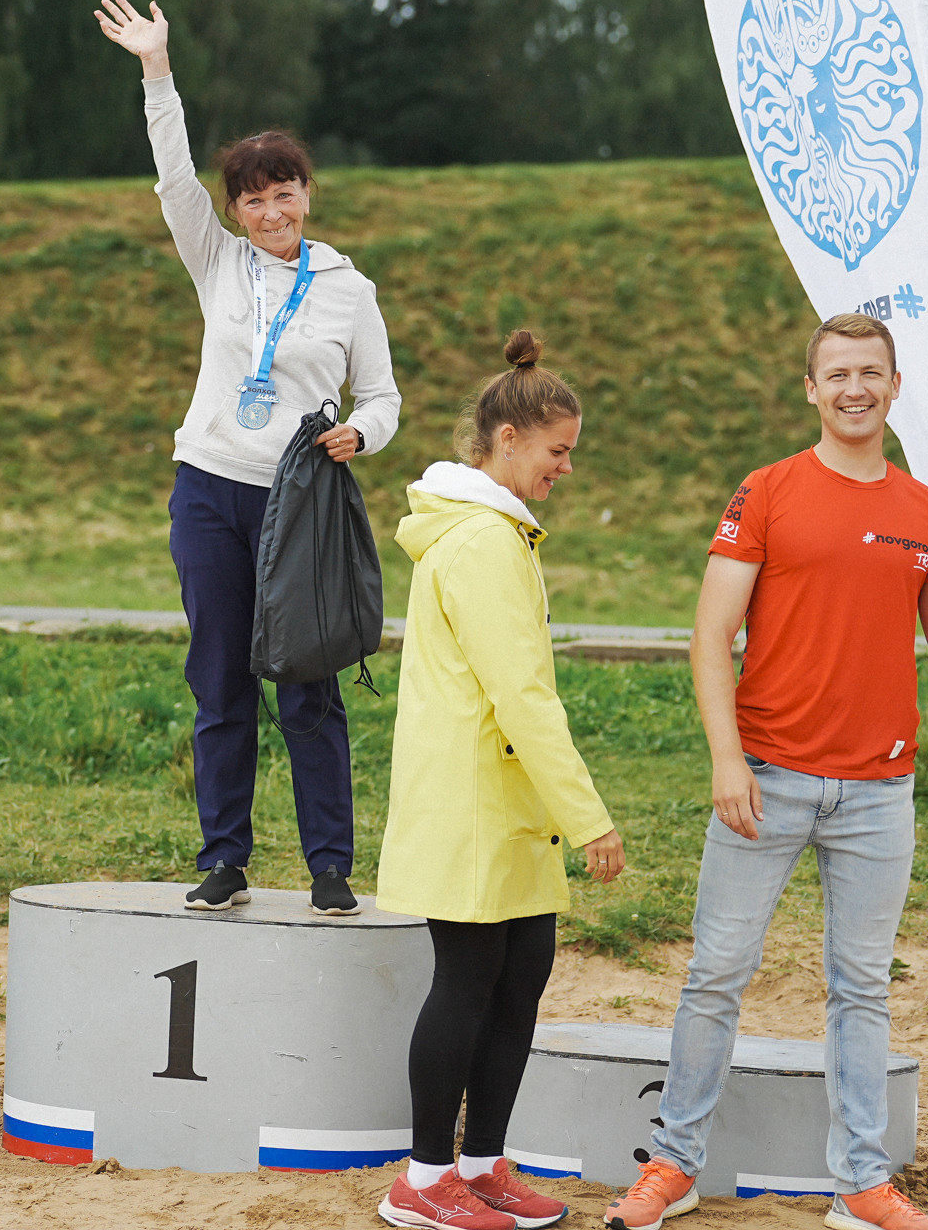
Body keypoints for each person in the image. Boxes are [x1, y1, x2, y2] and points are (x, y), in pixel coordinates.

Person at [607, 312, 928, 1230]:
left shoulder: (927, 512)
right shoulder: (767, 492)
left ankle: (862, 1184)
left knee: (861, 988)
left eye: (870, 372)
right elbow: (710, 635)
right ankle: (673, 1166)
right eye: (837, 374)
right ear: (811, 389)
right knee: (717, 974)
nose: (854, 388)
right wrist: (724, 759)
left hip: (880, 795)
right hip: (766, 777)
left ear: (894, 386)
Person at [95, 0, 402, 919]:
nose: (271, 211)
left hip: (299, 507)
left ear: (308, 196)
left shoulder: (350, 289)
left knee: (308, 689)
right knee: (220, 679)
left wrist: (364, 434)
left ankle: (329, 869)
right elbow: (171, 178)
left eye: (285, 193)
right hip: (210, 492)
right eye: (254, 199)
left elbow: (382, 397)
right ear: (236, 209)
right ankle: (224, 858)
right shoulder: (217, 261)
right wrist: (157, 70)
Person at [375, 332, 626, 1230]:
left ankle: (480, 1165)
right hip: (477, 803)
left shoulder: (499, 531)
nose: (566, 468)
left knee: (520, 979)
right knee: (469, 981)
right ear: (509, 438)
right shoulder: (481, 539)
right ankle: (422, 1179)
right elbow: (520, 693)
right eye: (559, 451)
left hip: (510, 805)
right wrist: (590, 816)